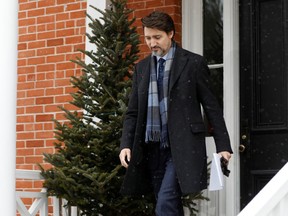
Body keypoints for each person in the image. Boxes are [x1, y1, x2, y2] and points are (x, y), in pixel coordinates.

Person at [119, 11, 233, 216]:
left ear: (170, 33)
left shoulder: (193, 63)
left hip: (182, 147)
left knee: (164, 203)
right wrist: (126, 144)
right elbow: (133, 112)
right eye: (147, 38)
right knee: (169, 205)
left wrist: (223, 146)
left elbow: (211, 107)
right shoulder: (142, 69)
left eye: (157, 37)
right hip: (152, 149)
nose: (152, 43)